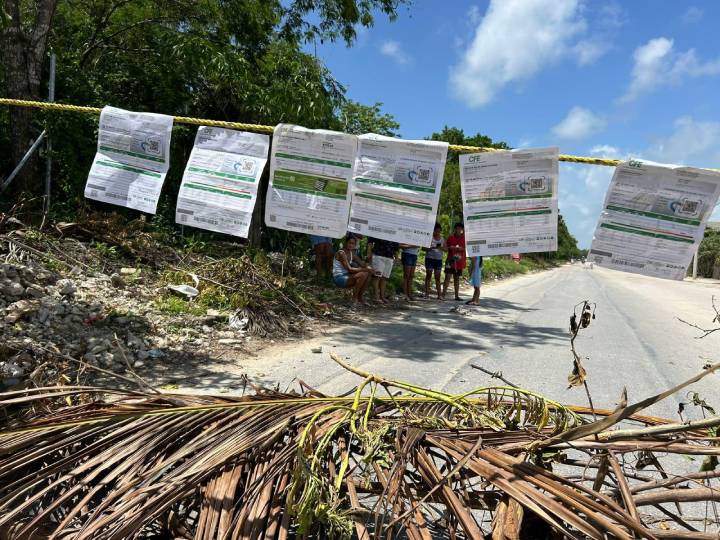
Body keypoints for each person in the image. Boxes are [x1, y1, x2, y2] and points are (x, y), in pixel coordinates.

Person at [332, 236, 374, 305]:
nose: (351, 245)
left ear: (355, 245)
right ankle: (354, 298)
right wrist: (365, 269)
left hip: (347, 276)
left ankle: (360, 297)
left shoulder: (352, 253)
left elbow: (362, 264)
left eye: (353, 244)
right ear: (345, 243)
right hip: (339, 278)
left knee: (368, 274)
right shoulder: (341, 253)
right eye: (349, 243)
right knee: (364, 274)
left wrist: (370, 267)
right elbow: (350, 269)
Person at [367, 237, 398, 304]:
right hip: (378, 255)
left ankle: (382, 297)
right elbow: (370, 241)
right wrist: (369, 252)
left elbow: (396, 245)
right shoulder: (380, 227)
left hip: (390, 257)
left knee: (384, 278)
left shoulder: (396, 228)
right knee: (377, 276)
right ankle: (376, 297)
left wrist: (396, 257)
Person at [442, 222, 466, 301]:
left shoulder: (464, 238)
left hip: (459, 262)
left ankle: (456, 296)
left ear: (462, 230)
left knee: (456, 278)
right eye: (457, 228)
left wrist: (461, 249)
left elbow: (467, 249)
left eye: (460, 229)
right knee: (447, 277)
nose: (459, 230)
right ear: (455, 229)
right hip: (450, 260)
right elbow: (445, 248)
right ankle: (443, 295)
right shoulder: (450, 237)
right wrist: (450, 247)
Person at [423, 224, 446, 299]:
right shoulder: (429, 238)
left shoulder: (442, 239)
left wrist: (441, 248)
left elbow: (446, 249)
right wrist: (431, 247)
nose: (437, 233)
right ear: (433, 231)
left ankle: (439, 295)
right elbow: (423, 248)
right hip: (429, 258)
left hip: (438, 260)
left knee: (437, 277)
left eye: (439, 231)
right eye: (436, 231)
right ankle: (426, 294)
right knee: (428, 275)